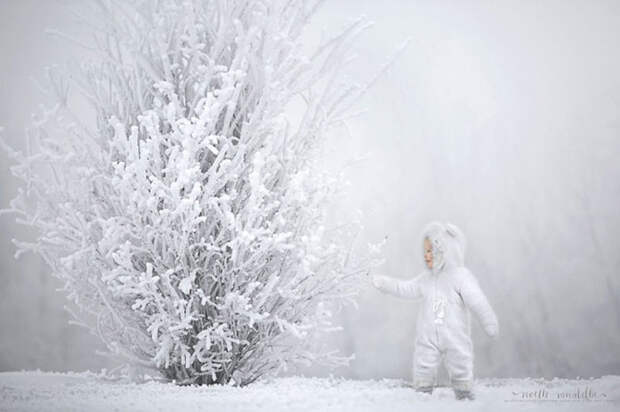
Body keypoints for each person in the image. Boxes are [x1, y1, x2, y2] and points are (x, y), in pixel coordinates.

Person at [371, 221, 498, 400]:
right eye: (425, 252)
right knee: (423, 361)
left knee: (460, 359)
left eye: (430, 251)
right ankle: (423, 391)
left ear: (445, 251)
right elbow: (405, 288)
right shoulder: (426, 279)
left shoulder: (460, 277)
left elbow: (478, 302)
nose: (426, 256)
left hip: (455, 335)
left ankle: (463, 392)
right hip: (428, 336)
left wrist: (489, 322)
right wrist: (385, 283)